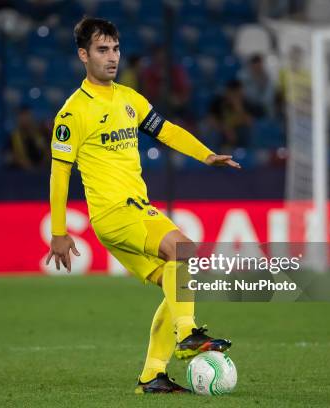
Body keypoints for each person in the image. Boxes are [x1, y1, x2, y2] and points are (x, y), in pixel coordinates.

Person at [46, 18, 240, 394]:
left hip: (132, 210)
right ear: (83, 55)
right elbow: (59, 174)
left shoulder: (129, 98)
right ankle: (188, 333)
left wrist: (206, 155)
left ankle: (152, 376)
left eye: (116, 49)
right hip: (116, 212)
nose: (112, 57)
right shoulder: (73, 113)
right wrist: (58, 231)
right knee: (185, 249)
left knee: (176, 276)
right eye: (102, 50)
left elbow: (165, 129)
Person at [208, 80, 254, 149]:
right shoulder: (218, 102)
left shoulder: (245, 103)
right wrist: (225, 129)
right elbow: (211, 120)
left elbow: (250, 122)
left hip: (239, 131)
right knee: (213, 134)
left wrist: (238, 107)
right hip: (222, 131)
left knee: (246, 132)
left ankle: (244, 153)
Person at [239, 54, 276, 118]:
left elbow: (269, 94)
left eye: (260, 65)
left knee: (269, 106)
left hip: (263, 105)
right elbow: (247, 93)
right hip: (248, 103)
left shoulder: (266, 75)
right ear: (251, 65)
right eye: (256, 65)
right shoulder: (243, 75)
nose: (259, 67)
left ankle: (270, 121)